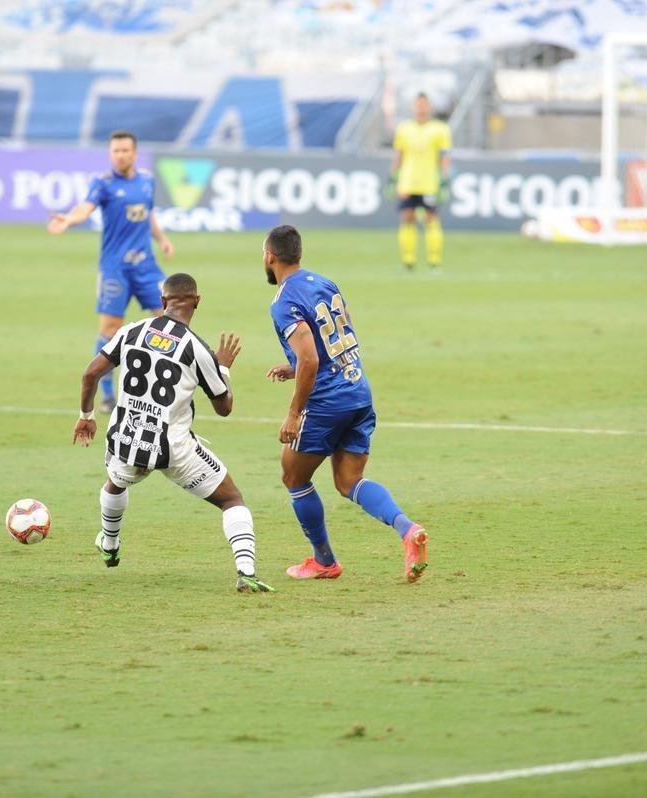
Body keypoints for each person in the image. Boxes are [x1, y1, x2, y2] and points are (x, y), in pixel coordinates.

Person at [73, 272, 274, 594]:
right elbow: (224, 407)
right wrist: (222, 366)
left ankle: (109, 543)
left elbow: (90, 374)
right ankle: (246, 572)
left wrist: (86, 416)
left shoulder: (132, 331)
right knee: (232, 499)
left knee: (116, 482)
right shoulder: (197, 349)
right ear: (197, 301)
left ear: (163, 301)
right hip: (175, 449)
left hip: (127, 439)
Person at [262, 224, 429, 582]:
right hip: (357, 391)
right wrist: (295, 367)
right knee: (349, 480)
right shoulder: (325, 283)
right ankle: (407, 529)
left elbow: (310, 358)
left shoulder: (283, 302)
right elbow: (337, 338)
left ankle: (324, 561)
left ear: (270, 256)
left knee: (293, 476)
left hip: (326, 402)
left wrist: (294, 413)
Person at [48, 130, 174, 413]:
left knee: (169, 323)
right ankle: (106, 395)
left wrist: (162, 239)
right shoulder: (103, 184)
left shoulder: (147, 181)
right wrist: (69, 220)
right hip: (115, 269)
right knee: (110, 330)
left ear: (134, 153)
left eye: (125, 150)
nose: (120, 155)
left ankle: (162, 389)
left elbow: (148, 214)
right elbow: (85, 208)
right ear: (110, 154)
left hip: (147, 267)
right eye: (115, 151)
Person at [390, 93, 452, 272]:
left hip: (429, 182)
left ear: (430, 106)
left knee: (431, 219)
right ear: (414, 106)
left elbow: (444, 156)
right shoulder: (404, 128)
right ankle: (408, 261)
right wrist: (393, 176)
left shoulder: (440, 129)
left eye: (425, 104)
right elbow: (399, 155)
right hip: (407, 182)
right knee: (407, 218)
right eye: (419, 104)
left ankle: (434, 261)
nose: (421, 107)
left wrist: (444, 178)